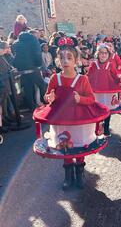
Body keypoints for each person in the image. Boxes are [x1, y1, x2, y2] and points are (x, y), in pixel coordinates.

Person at [41, 37, 109, 190]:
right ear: (58, 60)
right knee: (64, 145)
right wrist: (48, 98)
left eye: (69, 57)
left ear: (76, 60)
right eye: (62, 57)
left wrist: (80, 99)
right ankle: (68, 175)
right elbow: (47, 97)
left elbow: (91, 98)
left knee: (78, 145)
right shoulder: (54, 78)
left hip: (79, 119)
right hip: (61, 119)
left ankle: (79, 173)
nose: (65, 60)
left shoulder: (82, 79)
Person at [87, 44, 121, 137]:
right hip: (97, 92)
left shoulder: (110, 64)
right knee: (97, 110)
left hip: (108, 91)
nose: (103, 55)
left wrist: (120, 79)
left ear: (108, 54)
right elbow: (88, 76)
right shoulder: (94, 64)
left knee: (108, 110)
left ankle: (106, 128)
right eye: (101, 53)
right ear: (97, 54)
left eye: (105, 53)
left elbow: (115, 76)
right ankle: (98, 129)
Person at [12, 31, 47, 111]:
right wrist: (38, 64)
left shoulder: (16, 43)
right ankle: (46, 102)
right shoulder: (33, 41)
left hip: (22, 69)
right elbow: (37, 53)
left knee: (28, 88)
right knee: (42, 85)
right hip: (33, 67)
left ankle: (32, 107)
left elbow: (15, 55)